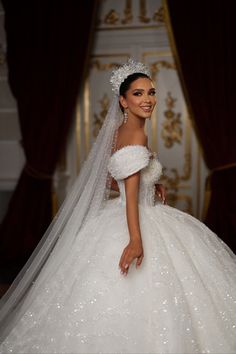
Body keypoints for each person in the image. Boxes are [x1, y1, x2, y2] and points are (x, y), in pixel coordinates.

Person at [0, 59, 235, 353]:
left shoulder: (118, 133)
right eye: (137, 94)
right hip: (138, 218)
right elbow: (130, 190)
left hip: (120, 213)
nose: (147, 99)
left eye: (150, 92)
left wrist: (150, 182)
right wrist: (136, 240)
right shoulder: (136, 135)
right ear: (123, 101)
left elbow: (116, 180)